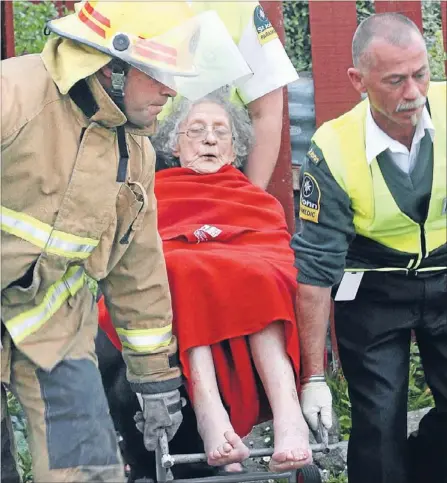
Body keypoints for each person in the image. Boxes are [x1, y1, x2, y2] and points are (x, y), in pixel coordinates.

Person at [0, 2, 248, 481]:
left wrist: (155, 377)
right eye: (159, 75)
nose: (170, 91)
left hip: (50, 322)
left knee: (89, 470)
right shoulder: (16, 95)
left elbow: (138, 268)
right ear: (113, 66)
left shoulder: (133, 149)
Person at [98, 91, 312, 475]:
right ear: (175, 146)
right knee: (180, 269)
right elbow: (141, 256)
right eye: (196, 130)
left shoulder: (257, 200)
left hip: (250, 297)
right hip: (185, 292)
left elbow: (279, 260)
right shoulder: (154, 192)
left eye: (220, 133)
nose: (209, 139)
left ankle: (289, 417)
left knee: (261, 275)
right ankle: (211, 414)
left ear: (234, 151)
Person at [291, 13, 446, 483]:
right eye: (395, 81)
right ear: (358, 81)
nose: (414, 93)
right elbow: (316, 271)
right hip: (372, 290)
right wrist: (314, 378)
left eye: (420, 74)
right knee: (379, 423)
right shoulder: (332, 147)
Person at [158, 1, 299, 189]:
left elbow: (266, 111)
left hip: (220, 162)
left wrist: (251, 198)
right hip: (141, 156)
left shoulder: (238, 6)